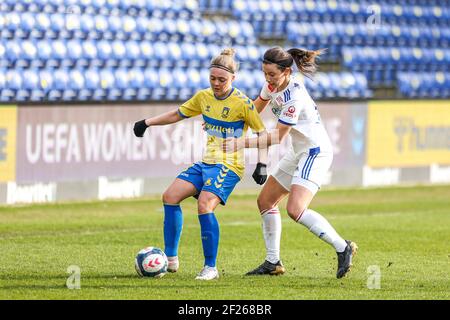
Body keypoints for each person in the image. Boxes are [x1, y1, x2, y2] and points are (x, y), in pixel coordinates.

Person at [223, 46, 358, 279]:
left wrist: (240, 143)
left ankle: (342, 247)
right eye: (265, 74)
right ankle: (273, 262)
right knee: (265, 200)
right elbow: (253, 110)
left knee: (295, 209)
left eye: (272, 75)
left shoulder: (294, 94)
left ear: (286, 72)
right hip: (298, 151)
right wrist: (224, 120)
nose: (268, 80)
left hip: (315, 152)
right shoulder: (272, 85)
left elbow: (277, 137)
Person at [133, 48, 267, 280]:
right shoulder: (203, 97)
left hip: (229, 166)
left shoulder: (243, 104)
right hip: (206, 162)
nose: (216, 83)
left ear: (233, 79)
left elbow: (265, 135)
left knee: (205, 203)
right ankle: (171, 259)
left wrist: (262, 163)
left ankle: (210, 268)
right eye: (213, 78)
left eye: (222, 80)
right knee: (170, 196)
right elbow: (177, 114)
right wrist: (147, 123)